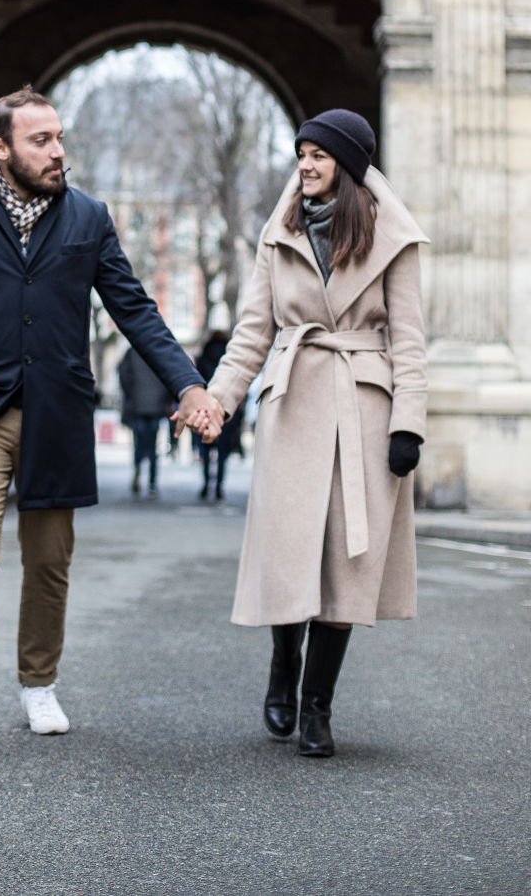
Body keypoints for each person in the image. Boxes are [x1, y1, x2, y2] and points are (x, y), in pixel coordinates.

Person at [0, 85, 216, 761]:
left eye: (60, 138)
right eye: (41, 140)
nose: (57, 152)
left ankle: (38, 683)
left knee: (48, 562)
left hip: (58, 412)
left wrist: (189, 385)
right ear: (0, 147)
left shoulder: (88, 219)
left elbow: (136, 311)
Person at [190, 109, 427, 759]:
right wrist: (218, 402)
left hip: (365, 411)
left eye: (319, 155)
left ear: (347, 166)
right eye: (300, 153)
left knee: (347, 565)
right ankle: (281, 666)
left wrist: (408, 425)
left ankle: (317, 706)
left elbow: (408, 341)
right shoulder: (279, 233)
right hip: (293, 405)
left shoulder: (393, 239)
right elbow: (250, 336)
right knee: (291, 550)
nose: (305, 164)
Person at [193, 332, 244, 501]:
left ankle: (207, 483)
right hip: (227, 409)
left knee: (206, 448)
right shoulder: (230, 358)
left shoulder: (203, 358)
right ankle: (220, 486)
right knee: (223, 451)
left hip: (205, 408)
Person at [117, 346, 173, 497]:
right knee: (153, 445)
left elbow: (122, 373)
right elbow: (170, 376)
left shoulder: (132, 351)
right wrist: (165, 399)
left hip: (138, 404)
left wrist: (131, 393)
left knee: (139, 443)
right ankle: (152, 482)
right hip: (156, 405)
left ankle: (137, 470)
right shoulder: (160, 350)